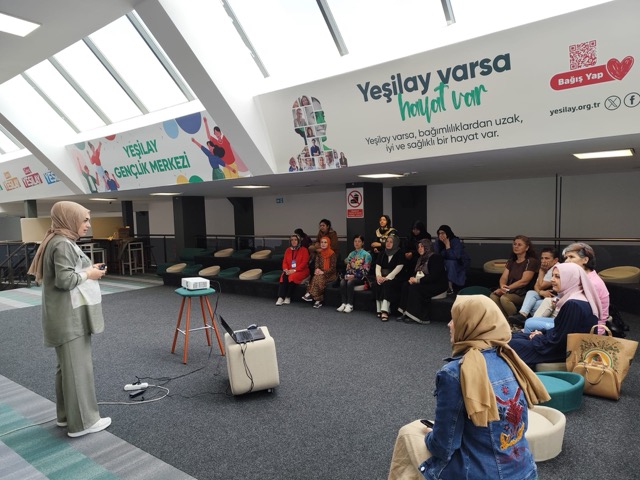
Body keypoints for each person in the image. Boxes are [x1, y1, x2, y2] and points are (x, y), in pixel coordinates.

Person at [388, 295, 549, 480]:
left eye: (455, 319)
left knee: (409, 432)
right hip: (526, 471)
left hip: (479, 475)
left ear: (471, 325)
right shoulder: (511, 360)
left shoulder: (454, 372)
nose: (449, 324)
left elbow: (443, 446)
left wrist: (430, 436)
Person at [27, 201, 111, 438]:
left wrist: (88, 269)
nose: (88, 224)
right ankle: (83, 423)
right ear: (70, 219)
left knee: (67, 369)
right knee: (78, 370)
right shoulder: (63, 243)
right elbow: (65, 281)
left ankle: (66, 416)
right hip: (69, 317)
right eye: (84, 220)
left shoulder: (57, 240)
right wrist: (90, 273)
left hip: (63, 315)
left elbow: (68, 273)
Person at [509, 262, 602, 368]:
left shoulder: (573, 304)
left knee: (509, 344)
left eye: (557, 276)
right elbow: (561, 331)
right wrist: (541, 333)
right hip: (562, 347)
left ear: (571, 279)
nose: (552, 280)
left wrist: (537, 337)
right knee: (513, 336)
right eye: (553, 275)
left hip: (562, 352)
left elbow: (559, 341)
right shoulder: (579, 298)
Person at [396, 239, 447, 325]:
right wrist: (413, 278)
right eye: (418, 247)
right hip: (425, 282)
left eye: (422, 246)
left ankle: (417, 315)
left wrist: (417, 280)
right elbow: (417, 273)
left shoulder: (435, 257)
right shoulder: (420, 259)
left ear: (427, 247)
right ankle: (405, 312)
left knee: (415, 288)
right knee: (406, 284)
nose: (419, 249)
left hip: (437, 284)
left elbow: (434, 276)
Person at [561, 242, 610, 331]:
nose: (566, 261)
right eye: (566, 257)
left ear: (585, 260)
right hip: (578, 323)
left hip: (589, 331)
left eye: (571, 257)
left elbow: (580, 313)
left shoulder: (592, 283)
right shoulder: (583, 278)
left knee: (533, 323)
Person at [490, 235, 540, 318]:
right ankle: (505, 320)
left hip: (522, 293)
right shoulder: (511, 261)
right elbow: (504, 277)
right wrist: (502, 286)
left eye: (519, 245)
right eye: (514, 244)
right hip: (509, 290)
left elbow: (524, 281)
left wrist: (506, 289)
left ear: (527, 248)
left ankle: (516, 320)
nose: (516, 246)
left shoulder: (531, 261)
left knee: (504, 298)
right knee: (493, 296)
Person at [508, 247, 559, 327]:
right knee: (531, 292)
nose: (543, 261)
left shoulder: (556, 268)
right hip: (544, 296)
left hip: (554, 299)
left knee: (534, 305)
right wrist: (541, 292)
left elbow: (541, 285)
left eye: (547, 258)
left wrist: (541, 271)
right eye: (542, 258)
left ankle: (529, 324)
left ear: (555, 260)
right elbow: (536, 286)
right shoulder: (545, 267)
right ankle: (522, 315)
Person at [337, 235, 372, 313]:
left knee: (350, 282)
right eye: (355, 241)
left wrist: (354, 275)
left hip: (361, 277)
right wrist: (347, 275)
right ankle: (344, 303)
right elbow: (348, 267)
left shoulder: (367, 255)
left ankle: (350, 304)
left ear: (362, 243)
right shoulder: (351, 254)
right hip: (351, 275)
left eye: (359, 241)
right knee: (342, 281)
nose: (357, 243)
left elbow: (366, 270)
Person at [373, 235, 405, 321]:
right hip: (382, 276)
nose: (388, 243)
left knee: (387, 284)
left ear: (396, 243)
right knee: (377, 283)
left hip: (396, 278)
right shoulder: (382, 253)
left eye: (391, 242)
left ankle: (385, 311)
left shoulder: (400, 253)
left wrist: (387, 278)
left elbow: (399, 268)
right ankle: (379, 309)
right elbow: (378, 266)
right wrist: (378, 276)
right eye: (387, 241)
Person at [302, 236, 337, 308]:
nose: (323, 244)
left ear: (328, 243)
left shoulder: (332, 254)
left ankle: (310, 294)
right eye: (322, 242)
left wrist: (323, 272)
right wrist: (317, 270)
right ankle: (318, 300)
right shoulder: (319, 253)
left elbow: (333, 268)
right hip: (320, 273)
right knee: (317, 277)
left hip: (330, 274)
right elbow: (317, 265)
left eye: (325, 242)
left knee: (318, 278)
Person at [276, 233, 310, 306]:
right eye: (292, 240)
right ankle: (281, 297)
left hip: (301, 270)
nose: (293, 241)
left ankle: (288, 297)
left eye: (295, 240)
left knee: (292, 277)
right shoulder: (288, 250)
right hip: (289, 270)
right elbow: (284, 262)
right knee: (283, 275)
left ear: (299, 241)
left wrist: (294, 270)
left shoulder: (304, 250)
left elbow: (304, 263)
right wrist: (286, 269)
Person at [434, 225, 469, 294]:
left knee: (450, 262)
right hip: (445, 261)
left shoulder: (455, 240)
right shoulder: (438, 241)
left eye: (443, 233)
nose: (441, 235)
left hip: (459, 262)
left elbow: (456, 256)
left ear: (447, 233)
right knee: (436, 262)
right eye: (439, 233)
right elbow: (436, 254)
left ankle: (449, 286)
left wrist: (447, 246)